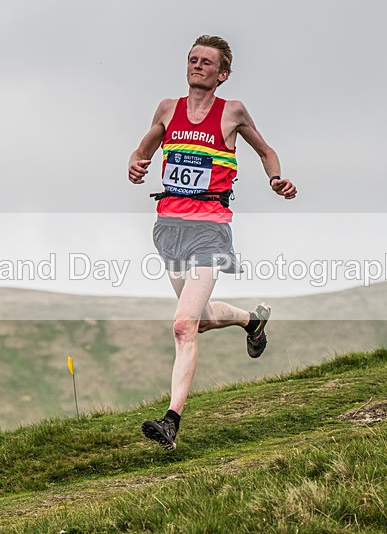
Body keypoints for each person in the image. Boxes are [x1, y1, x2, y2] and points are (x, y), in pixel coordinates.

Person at [127, 35, 297, 449]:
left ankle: (171, 421)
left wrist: (276, 178)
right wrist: (135, 163)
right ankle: (250, 322)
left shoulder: (232, 112)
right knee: (198, 319)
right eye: (192, 60)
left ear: (221, 74)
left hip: (210, 229)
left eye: (206, 62)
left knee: (183, 326)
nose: (197, 66)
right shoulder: (168, 109)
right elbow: (144, 147)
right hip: (169, 229)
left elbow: (265, 149)